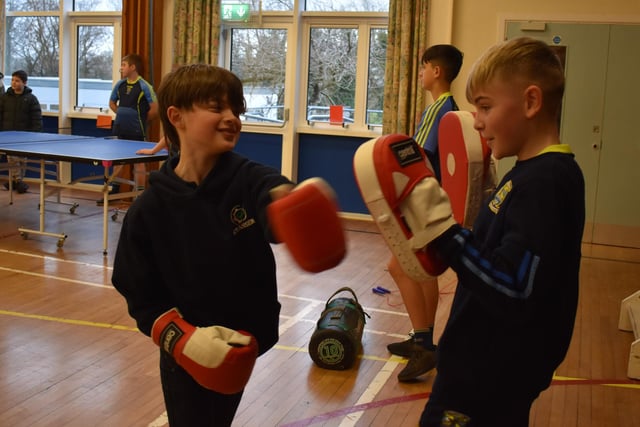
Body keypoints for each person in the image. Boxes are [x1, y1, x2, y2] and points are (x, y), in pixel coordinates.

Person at [110, 64, 298, 427]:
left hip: (243, 341)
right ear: (176, 116)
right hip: (188, 347)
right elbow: (138, 290)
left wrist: (293, 205)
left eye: (236, 110)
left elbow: (272, 195)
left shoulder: (248, 178)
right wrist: (181, 339)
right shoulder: (149, 210)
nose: (232, 118)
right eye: (217, 107)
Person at [417, 37, 585, 426]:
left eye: (485, 107)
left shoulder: (546, 181)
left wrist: (444, 232)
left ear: (530, 102)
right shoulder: (530, 173)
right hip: (484, 372)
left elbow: (512, 285)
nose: (476, 121)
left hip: (485, 381)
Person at [385, 44, 464, 382]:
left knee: (401, 267)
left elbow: (416, 156)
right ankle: (424, 338)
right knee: (421, 271)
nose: (419, 72)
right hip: (434, 204)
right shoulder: (446, 108)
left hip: (424, 203)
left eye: (423, 66)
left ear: (437, 72)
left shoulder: (439, 109)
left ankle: (423, 343)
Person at [99, 53, 158, 204]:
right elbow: (112, 103)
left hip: (137, 130)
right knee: (118, 160)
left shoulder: (144, 86)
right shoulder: (120, 85)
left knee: (139, 161)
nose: (121, 68)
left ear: (133, 67)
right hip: (120, 129)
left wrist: (140, 120)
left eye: (124, 65)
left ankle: (140, 194)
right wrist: (122, 114)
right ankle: (114, 188)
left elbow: (155, 108)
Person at [0, 70, 43, 193]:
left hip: (25, 136)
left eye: (17, 81)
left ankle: (16, 181)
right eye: (12, 80)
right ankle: (17, 180)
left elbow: (36, 118)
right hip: (8, 135)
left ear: (24, 82)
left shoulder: (31, 99)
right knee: (12, 159)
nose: (14, 83)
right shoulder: (5, 98)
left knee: (22, 160)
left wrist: (36, 134)